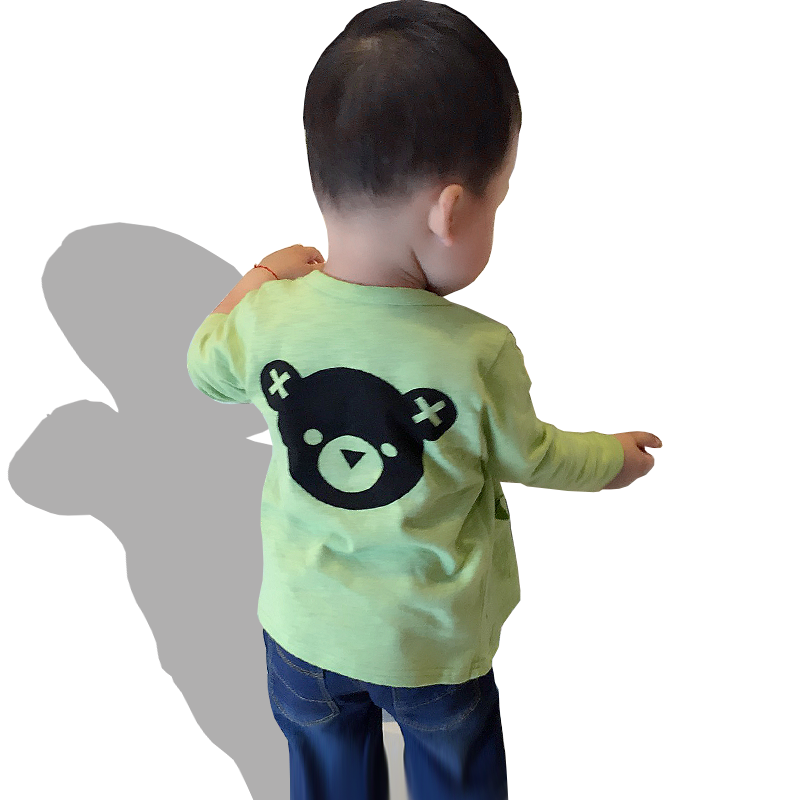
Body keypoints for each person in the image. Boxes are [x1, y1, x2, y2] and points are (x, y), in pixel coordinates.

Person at [186, 2, 662, 798]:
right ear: (451, 211)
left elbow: (204, 365)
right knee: (454, 775)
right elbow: (533, 454)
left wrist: (260, 276)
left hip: (302, 634)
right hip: (430, 650)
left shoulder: (268, 321)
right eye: (497, 201)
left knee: (328, 777)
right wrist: (610, 460)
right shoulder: (476, 352)